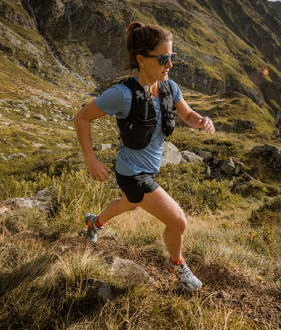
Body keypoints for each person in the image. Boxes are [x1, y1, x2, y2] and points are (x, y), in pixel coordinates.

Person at [74, 21, 215, 292]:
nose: (170, 64)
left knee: (127, 205)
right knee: (178, 221)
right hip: (132, 173)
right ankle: (177, 263)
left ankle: (94, 222)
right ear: (141, 59)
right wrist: (91, 160)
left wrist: (202, 121)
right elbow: (81, 117)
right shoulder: (121, 94)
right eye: (164, 58)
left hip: (148, 171)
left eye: (172, 57)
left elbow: (187, 114)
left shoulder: (168, 87)